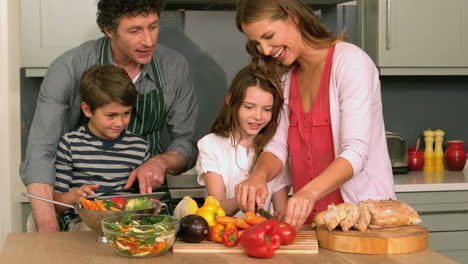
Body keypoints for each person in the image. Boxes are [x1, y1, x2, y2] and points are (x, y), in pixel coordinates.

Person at [20, 0, 198, 232]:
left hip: (144, 205)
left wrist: (161, 161)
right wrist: (48, 230)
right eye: (134, 30)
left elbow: (186, 143)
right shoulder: (68, 67)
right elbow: (40, 153)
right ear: (109, 30)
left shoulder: (175, 66)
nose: (148, 41)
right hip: (86, 212)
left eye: (153, 27)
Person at [234, 0, 396, 230]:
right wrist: (258, 175)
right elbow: (278, 147)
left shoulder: (351, 63)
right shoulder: (288, 79)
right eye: (257, 44)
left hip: (363, 220)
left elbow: (355, 152)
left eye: (269, 36)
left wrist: (308, 193)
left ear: (293, 18)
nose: (266, 50)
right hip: (313, 222)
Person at [54, 64, 149, 231]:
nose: (120, 123)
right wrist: (75, 195)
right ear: (87, 110)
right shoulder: (70, 144)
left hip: (127, 223)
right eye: (111, 115)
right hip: (84, 223)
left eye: (126, 113)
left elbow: (144, 199)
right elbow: (56, 203)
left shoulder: (139, 146)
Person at [196, 66, 290, 219]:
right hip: (222, 237)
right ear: (230, 100)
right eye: (249, 107)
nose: (258, 116)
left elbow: (281, 210)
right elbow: (217, 209)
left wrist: (282, 218)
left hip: (260, 236)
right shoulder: (210, 145)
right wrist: (247, 196)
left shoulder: (275, 152)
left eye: (267, 109)